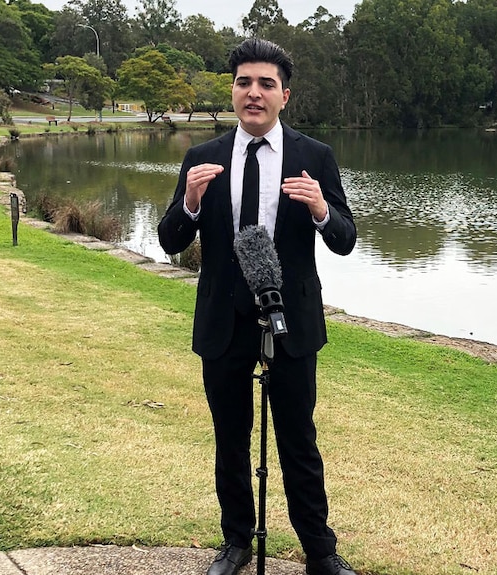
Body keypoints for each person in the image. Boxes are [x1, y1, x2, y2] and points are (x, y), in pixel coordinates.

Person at [157, 38, 357, 575]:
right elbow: (170, 240)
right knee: (230, 440)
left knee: (299, 442)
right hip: (224, 319)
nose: (254, 92)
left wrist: (319, 209)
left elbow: (345, 239)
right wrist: (191, 205)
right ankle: (237, 544)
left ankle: (320, 552)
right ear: (233, 90)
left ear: (284, 96)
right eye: (244, 82)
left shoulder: (315, 157)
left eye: (266, 83)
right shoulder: (203, 158)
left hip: (291, 318)